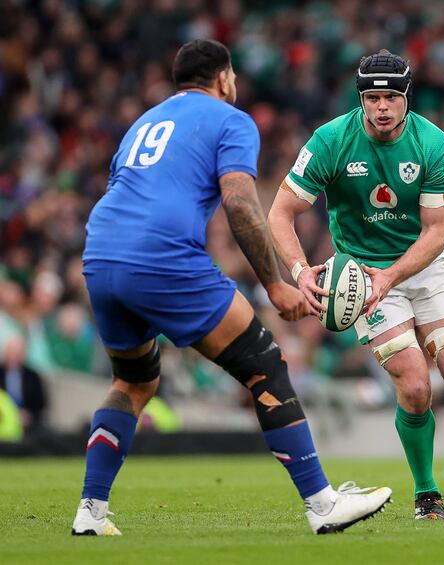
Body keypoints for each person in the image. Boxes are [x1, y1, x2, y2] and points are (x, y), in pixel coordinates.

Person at [72, 39, 391, 536]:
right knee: (263, 366)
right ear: (223, 78)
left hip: (101, 253)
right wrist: (276, 286)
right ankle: (322, 503)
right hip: (162, 256)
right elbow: (241, 205)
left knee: (133, 383)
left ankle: (90, 512)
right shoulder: (230, 120)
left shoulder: (143, 122)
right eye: (234, 76)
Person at [268, 50, 444, 520]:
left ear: (407, 97)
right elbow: (281, 212)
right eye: (373, 98)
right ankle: (427, 492)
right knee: (414, 387)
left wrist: (392, 276)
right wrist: (299, 270)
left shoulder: (433, 144)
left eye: (392, 97)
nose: (383, 107)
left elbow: (436, 231)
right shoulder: (330, 140)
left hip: (423, 267)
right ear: (361, 100)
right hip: (361, 272)